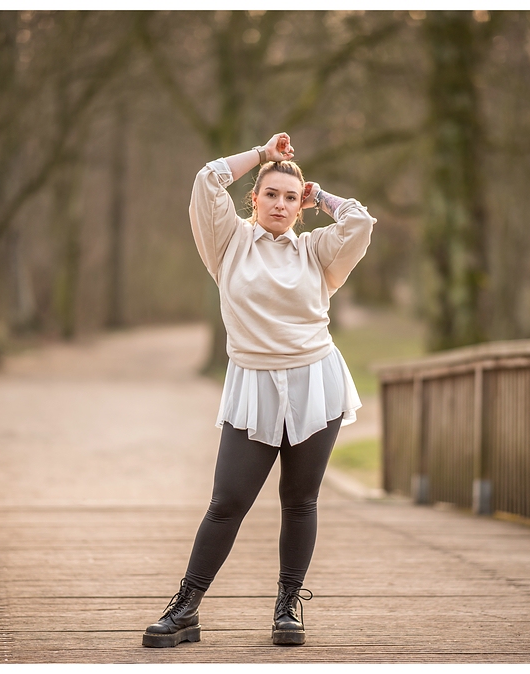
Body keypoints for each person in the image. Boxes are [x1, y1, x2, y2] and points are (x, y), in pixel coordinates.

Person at [142, 132, 375, 648]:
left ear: (301, 205)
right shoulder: (228, 243)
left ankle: (287, 608)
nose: (280, 204)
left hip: (315, 381)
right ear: (254, 198)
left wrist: (323, 198)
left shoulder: (317, 251)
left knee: (300, 501)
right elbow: (207, 181)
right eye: (271, 194)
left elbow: (359, 222)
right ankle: (185, 609)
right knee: (227, 501)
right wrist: (264, 156)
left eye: (291, 198)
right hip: (253, 383)